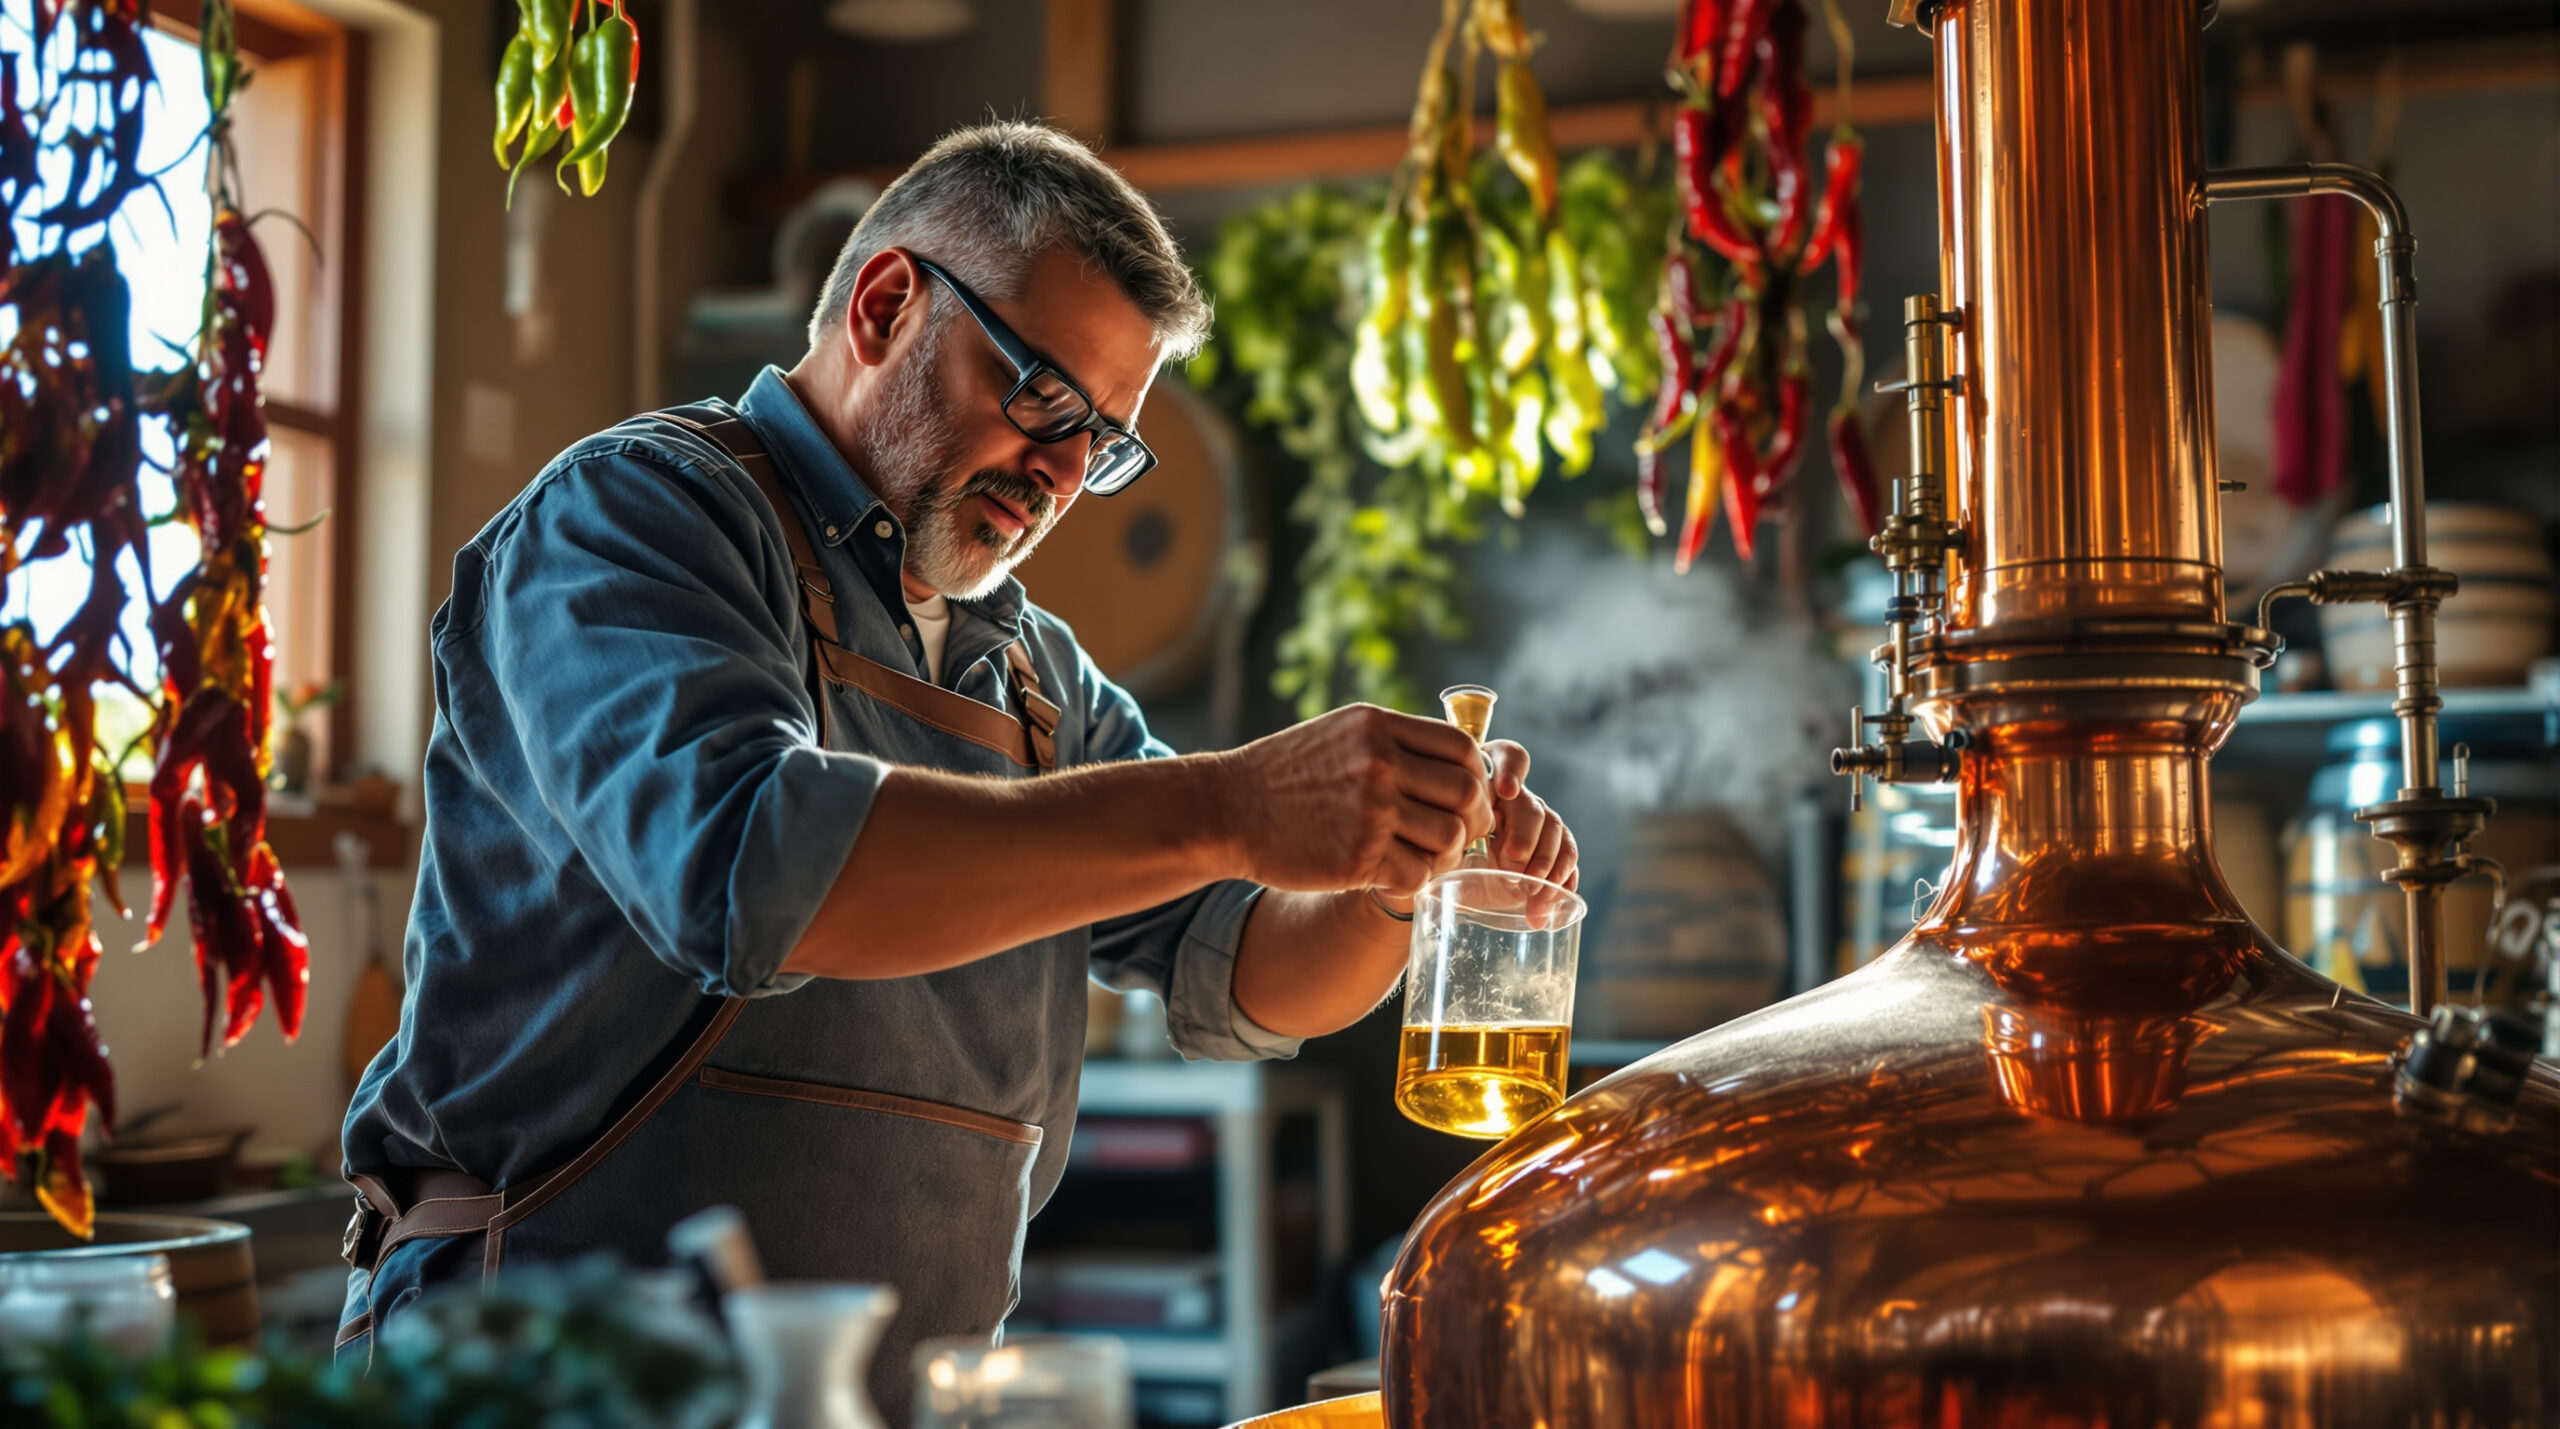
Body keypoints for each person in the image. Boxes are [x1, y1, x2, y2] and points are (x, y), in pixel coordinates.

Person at [336, 121, 1579, 1411]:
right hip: (545, 1380)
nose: (1059, 475)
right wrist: (1231, 804)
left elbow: (1250, 969)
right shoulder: (638, 519)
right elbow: (758, 870)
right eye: (1042, 395)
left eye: (1101, 439)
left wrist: (1389, 881)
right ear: (885, 304)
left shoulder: (1034, 677)